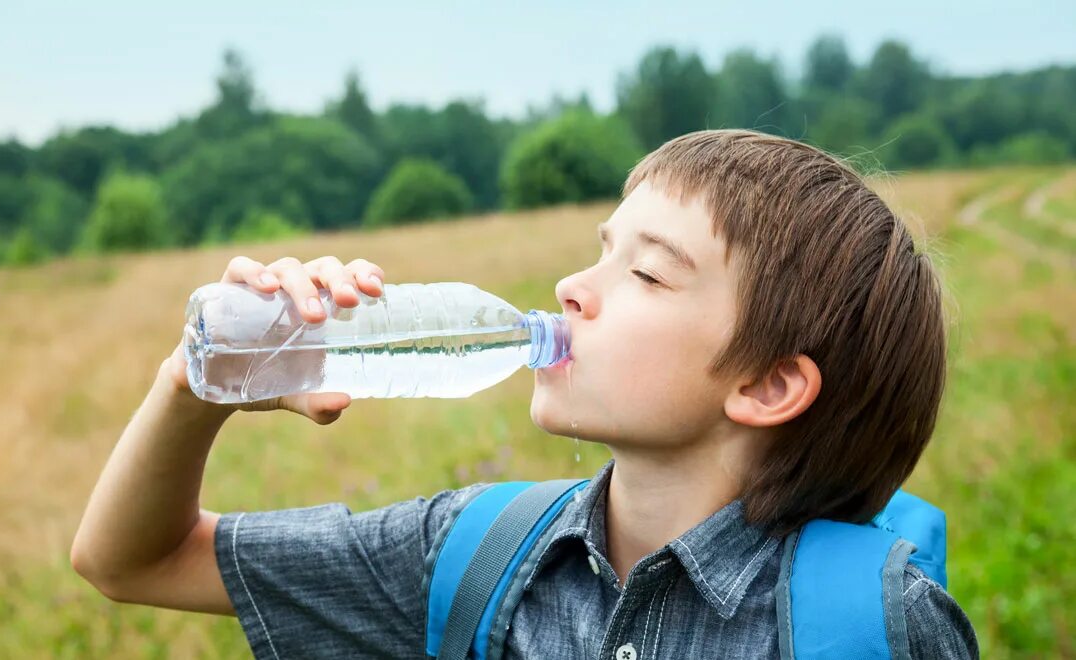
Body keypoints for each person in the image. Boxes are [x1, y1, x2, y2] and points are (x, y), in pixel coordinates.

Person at [71, 129, 979, 658]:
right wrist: (198, 385)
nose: (574, 290)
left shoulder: (878, 626)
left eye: (649, 276)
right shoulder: (469, 555)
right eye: (599, 251)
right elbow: (132, 561)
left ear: (768, 382)